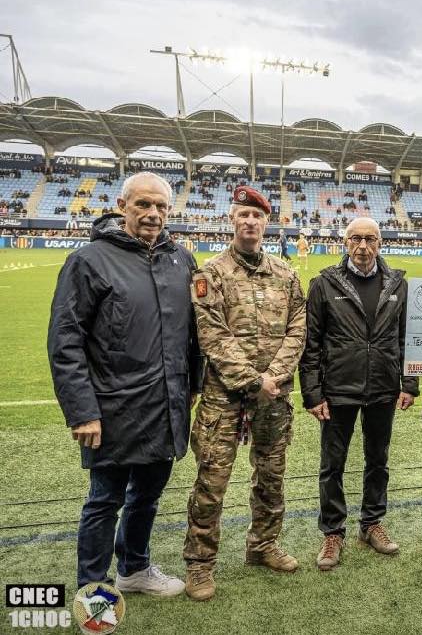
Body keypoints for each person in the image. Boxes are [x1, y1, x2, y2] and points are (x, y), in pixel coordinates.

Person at [48, 172, 201, 595]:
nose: (153, 214)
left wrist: (194, 383)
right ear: (122, 206)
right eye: (143, 204)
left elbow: (194, 332)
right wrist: (82, 411)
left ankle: (134, 569)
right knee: (104, 501)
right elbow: (65, 339)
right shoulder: (89, 260)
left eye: (161, 206)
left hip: (166, 403)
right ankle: (93, 590)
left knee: (147, 497)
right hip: (112, 406)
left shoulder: (181, 259)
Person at [183, 185, 306, 601]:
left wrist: (274, 376)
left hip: (274, 397)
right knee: (211, 482)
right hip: (224, 397)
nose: (250, 221)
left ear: (266, 223)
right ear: (232, 219)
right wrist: (255, 380)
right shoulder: (210, 273)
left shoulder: (286, 274)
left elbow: (298, 329)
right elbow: (212, 335)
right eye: (243, 214)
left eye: (257, 216)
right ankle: (200, 563)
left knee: (271, 476)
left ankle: (263, 545)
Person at [300, 218, 419, 570]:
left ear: (380, 243)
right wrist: (312, 393)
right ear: (345, 242)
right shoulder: (323, 284)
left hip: (383, 386)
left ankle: (371, 523)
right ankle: (332, 531)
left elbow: (406, 337)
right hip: (338, 388)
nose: (363, 246)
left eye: (369, 239)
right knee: (332, 464)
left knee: (378, 460)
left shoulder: (398, 284)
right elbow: (311, 343)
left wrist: (410, 383)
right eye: (355, 239)